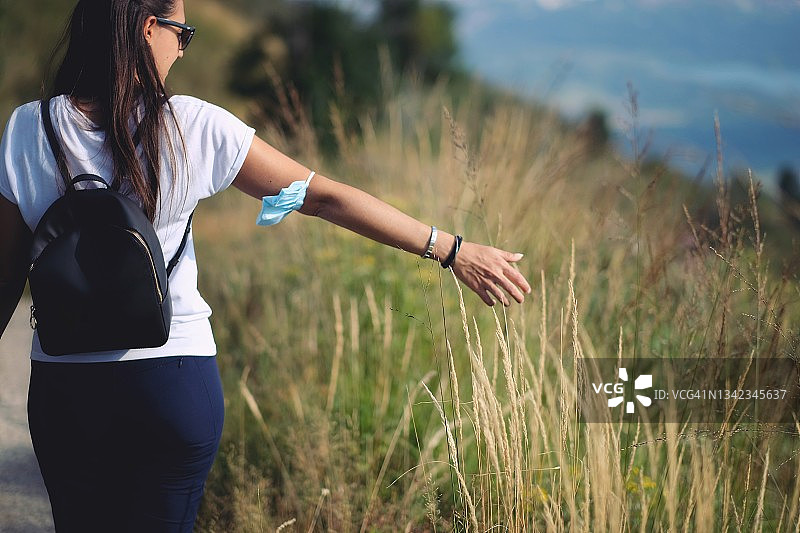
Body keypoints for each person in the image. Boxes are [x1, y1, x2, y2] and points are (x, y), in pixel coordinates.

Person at [0, 0, 532, 531]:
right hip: (172, 382)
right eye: (181, 34)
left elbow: (6, 273)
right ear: (147, 29)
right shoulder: (191, 125)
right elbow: (321, 197)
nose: (182, 51)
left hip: (65, 390)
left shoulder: (28, 128)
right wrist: (451, 249)